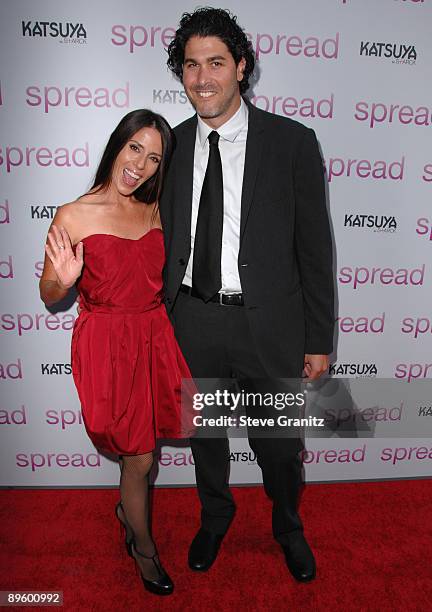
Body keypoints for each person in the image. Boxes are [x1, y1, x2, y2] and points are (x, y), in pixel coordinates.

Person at [160, 8, 334, 582]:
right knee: (206, 438)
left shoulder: (291, 143)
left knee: (280, 447)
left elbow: (314, 249)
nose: (202, 77)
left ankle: (287, 524)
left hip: (269, 328)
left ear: (241, 67)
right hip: (193, 323)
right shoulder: (168, 147)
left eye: (215, 63)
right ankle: (215, 516)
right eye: (191, 65)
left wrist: (317, 337)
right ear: (180, 73)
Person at [39, 109, 191, 596]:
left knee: (142, 456)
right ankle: (143, 546)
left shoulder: (156, 209)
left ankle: (131, 517)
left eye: (154, 158)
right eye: (134, 149)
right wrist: (60, 282)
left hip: (152, 336)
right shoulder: (73, 214)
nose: (141, 166)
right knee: (139, 453)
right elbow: (48, 294)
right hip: (105, 343)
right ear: (116, 145)